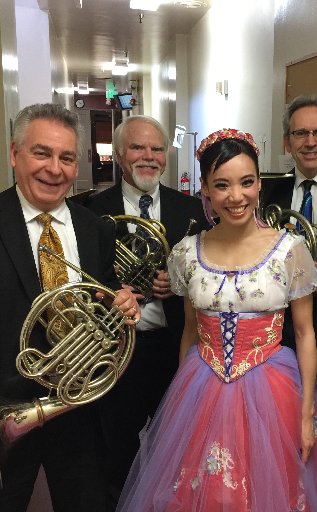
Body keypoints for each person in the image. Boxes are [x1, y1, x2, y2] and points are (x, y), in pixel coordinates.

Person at [116, 128, 317, 511]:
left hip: (273, 387)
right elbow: (189, 331)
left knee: (274, 492)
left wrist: (305, 416)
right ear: (205, 189)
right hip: (201, 385)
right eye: (222, 185)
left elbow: (304, 334)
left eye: (247, 182)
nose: (236, 197)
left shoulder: (289, 249)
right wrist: (181, 406)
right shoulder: (187, 252)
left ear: (259, 185)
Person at [0, 103, 140, 512]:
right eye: (41, 153)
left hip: (80, 407)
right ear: (14, 154)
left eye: (66, 158)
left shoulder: (94, 227)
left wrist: (122, 302)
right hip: (9, 405)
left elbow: (106, 295)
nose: (55, 169)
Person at [85, 115, 208, 509]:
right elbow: (80, 281)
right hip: (117, 349)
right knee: (116, 446)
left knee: (177, 442)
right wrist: (109, 287)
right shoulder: (89, 210)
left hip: (174, 346)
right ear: (120, 155)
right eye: (138, 148)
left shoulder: (190, 208)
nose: (149, 157)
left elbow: (208, 274)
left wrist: (177, 285)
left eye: (157, 149)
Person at [261, 94, 317, 413]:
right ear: (287, 142)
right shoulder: (265, 193)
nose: (310, 142)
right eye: (300, 133)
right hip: (275, 339)